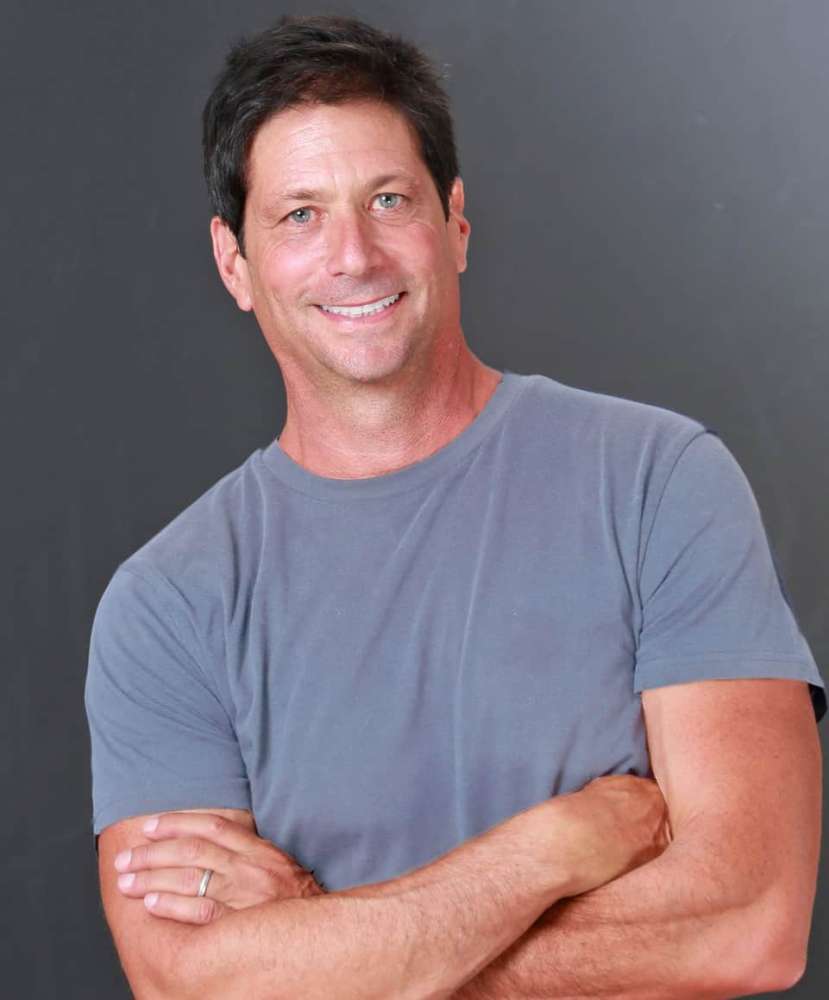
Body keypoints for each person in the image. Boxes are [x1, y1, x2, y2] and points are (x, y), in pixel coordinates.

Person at [85, 14, 825, 998]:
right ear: (235, 263)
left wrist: (329, 945)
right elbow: (187, 983)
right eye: (299, 215)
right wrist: (545, 850)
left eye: (388, 200)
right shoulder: (168, 604)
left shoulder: (657, 481)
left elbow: (746, 924)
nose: (353, 255)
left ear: (455, 223)